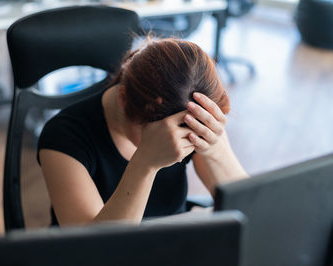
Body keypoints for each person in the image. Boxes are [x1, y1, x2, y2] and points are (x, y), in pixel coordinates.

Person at [37, 38, 248, 226]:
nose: (175, 140)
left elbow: (249, 208)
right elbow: (93, 252)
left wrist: (214, 147)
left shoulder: (186, 107)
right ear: (122, 98)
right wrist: (144, 164)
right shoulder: (63, 137)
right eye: (163, 133)